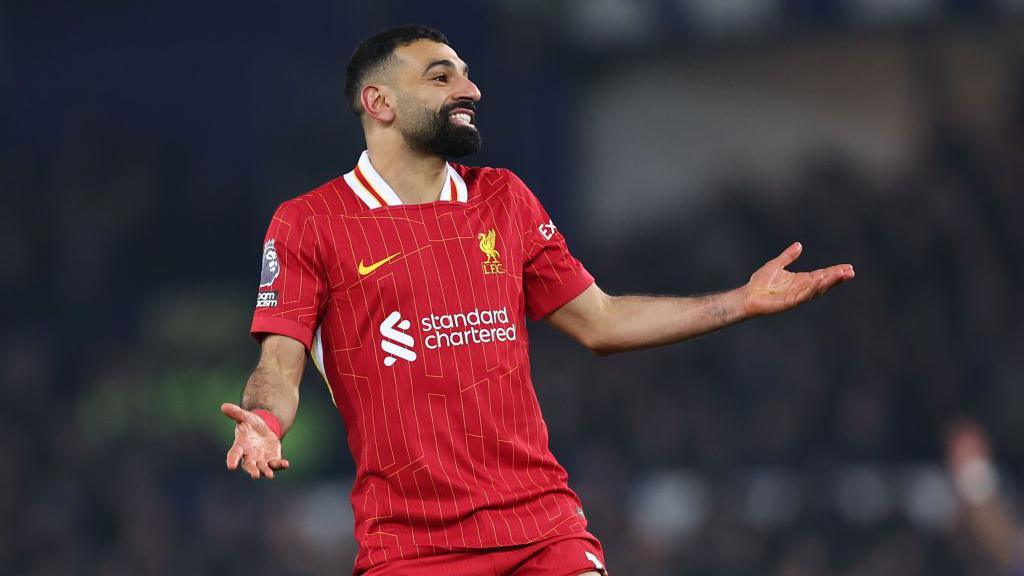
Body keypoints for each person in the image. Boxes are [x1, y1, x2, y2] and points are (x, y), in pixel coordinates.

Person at [221, 25, 855, 576]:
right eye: (442, 77)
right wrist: (265, 421)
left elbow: (600, 320)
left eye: (467, 77)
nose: (470, 91)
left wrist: (740, 302)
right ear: (377, 101)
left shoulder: (504, 198)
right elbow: (281, 363)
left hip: (542, 529)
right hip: (410, 547)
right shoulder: (311, 222)